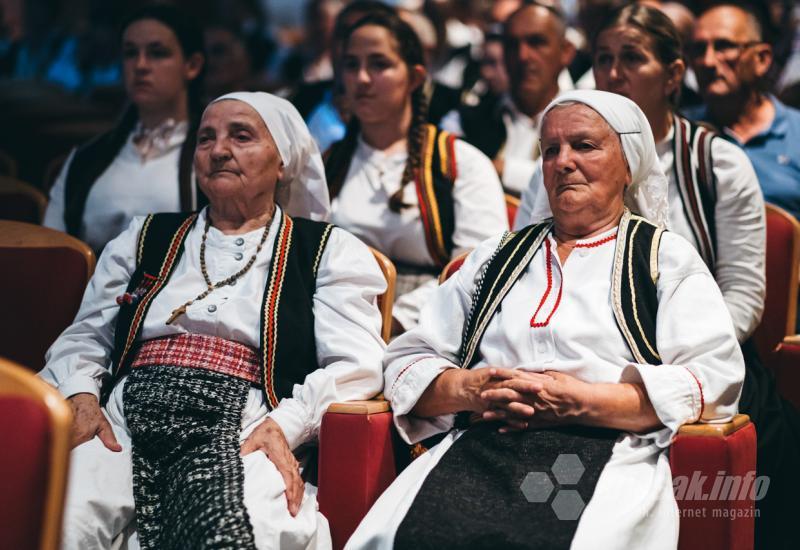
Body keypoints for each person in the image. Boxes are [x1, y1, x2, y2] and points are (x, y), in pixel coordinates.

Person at [346, 90, 744, 550]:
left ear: (629, 165)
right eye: (550, 150)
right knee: (403, 537)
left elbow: (712, 378)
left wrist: (584, 400)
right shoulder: (495, 256)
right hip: (478, 449)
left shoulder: (663, 257)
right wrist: (473, 390)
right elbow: (406, 360)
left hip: (608, 453)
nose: (563, 162)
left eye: (584, 146)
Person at [39, 92, 385, 550]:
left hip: (244, 425)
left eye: (241, 136)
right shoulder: (145, 237)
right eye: (206, 138)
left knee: (233, 532)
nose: (219, 150)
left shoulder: (325, 250)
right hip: (123, 420)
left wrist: (289, 422)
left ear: (282, 161)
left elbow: (357, 362)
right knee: (60, 517)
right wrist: (81, 394)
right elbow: (84, 335)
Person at [325, 10, 508, 334]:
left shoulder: (459, 162)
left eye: (379, 64)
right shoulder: (328, 163)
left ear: (415, 77)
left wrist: (390, 321)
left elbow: (480, 267)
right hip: (336, 318)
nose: (362, 78)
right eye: (351, 65)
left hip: (432, 322)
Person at [43, 5, 207, 254]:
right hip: (94, 290)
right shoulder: (87, 159)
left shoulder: (213, 157)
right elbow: (52, 253)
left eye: (157, 53)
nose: (140, 65)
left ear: (192, 65)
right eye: (130, 53)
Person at [441, 1, 576, 195]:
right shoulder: (464, 121)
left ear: (566, 52)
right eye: (512, 45)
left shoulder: (590, 120)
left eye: (537, 42)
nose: (523, 56)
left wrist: (502, 170)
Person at [687, 2, 800, 220]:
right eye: (698, 49)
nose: (708, 61)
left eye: (724, 46)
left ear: (762, 59)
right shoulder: (681, 132)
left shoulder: (796, 133)